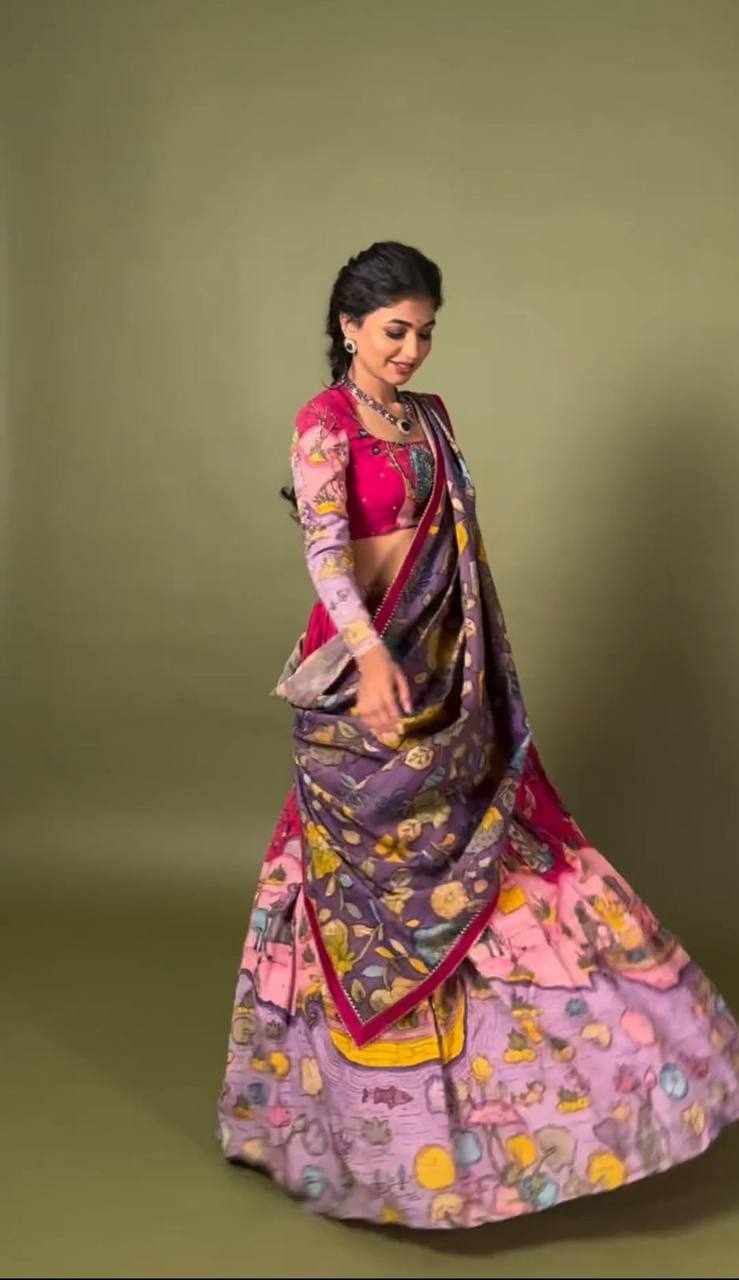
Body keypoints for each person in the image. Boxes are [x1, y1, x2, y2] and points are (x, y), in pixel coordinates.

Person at [215, 240, 739, 1230]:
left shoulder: (432, 419)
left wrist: (458, 673)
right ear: (348, 328)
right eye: (393, 331)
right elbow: (326, 553)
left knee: (493, 866)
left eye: (424, 333)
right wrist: (371, 656)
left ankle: (553, 1116)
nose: (410, 351)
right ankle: (332, 1134)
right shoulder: (323, 423)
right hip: (358, 683)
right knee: (351, 894)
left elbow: (453, 559)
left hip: (443, 686)